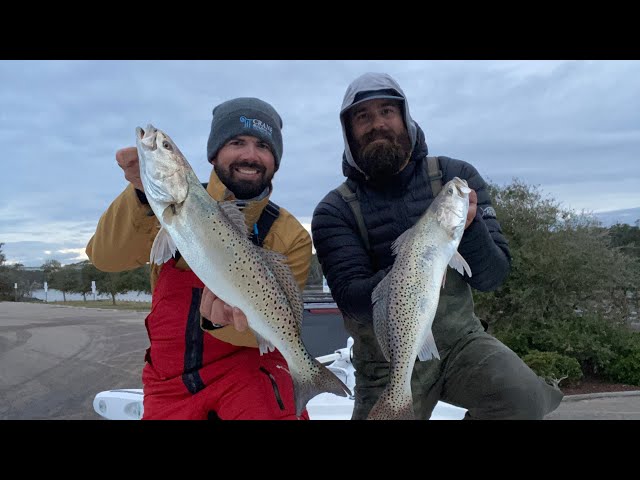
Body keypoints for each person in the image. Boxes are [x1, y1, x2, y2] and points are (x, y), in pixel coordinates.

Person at [310, 72, 564, 420]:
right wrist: (413, 271)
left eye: (387, 111)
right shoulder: (333, 210)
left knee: (523, 397)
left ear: (405, 117)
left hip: (462, 342)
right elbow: (351, 299)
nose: (377, 124)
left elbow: (493, 275)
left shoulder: (455, 176)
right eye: (363, 117)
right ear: (349, 131)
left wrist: (469, 229)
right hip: (388, 361)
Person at [86, 97, 313, 420]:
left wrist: (223, 321)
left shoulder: (291, 235)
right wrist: (140, 194)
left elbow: (280, 320)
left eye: (262, 145)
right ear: (214, 152)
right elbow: (105, 257)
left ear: (275, 160)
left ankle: (309, 380)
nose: (250, 155)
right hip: (170, 383)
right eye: (237, 142)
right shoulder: (161, 208)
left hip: (251, 372)